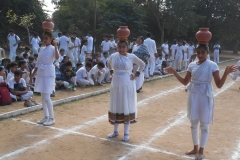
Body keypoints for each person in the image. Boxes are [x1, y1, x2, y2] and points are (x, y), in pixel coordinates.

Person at [165, 44, 237, 160]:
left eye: (202, 52)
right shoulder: (192, 64)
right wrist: (174, 71)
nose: (200, 55)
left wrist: (226, 73)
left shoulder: (212, 65)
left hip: (205, 95)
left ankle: (201, 150)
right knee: (193, 123)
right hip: (193, 95)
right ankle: (195, 148)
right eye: (198, 52)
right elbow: (185, 81)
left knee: (204, 124)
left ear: (208, 53)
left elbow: (218, 85)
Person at [107, 40, 145, 142]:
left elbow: (142, 64)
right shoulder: (114, 56)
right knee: (116, 105)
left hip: (127, 85)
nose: (121, 49)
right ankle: (115, 131)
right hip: (115, 84)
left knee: (126, 106)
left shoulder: (131, 56)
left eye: (123, 47)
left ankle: (126, 133)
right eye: (119, 47)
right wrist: (111, 72)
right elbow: (108, 63)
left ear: (127, 48)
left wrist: (136, 74)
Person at [30, 30, 59, 126]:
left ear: (51, 39)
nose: (45, 40)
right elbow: (38, 64)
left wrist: (55, 46)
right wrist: (32, 76)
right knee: (42, 97)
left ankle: (52, 118)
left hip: (48, 73)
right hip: (41, 74)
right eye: (44, 38)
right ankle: (46, 116)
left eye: (47, 38)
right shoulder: (41, 49)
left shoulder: (52, 48)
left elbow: (57, 58)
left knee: (47, 97)